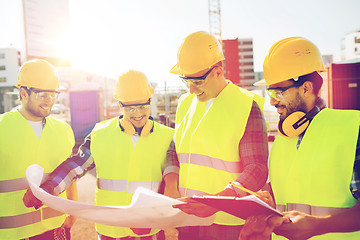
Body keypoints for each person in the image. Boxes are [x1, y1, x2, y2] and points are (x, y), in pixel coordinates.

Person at [23, 70, 175, 240]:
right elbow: (75, 166)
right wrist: (48, 189)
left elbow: (172, 187)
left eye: (142, 106)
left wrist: (157, 218)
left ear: (150, 101)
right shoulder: (100, 134)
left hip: (149, 230)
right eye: (130, 108)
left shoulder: (167, 137)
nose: (138, 113)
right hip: (110, 231)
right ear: (120, 105)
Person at [239, 36, 360, 240]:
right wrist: (266, 201)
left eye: (278, 91)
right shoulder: (283, 138)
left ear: (306, 88)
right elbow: (289, 190)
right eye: (270, 92)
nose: (272, 101)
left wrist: (318, 226)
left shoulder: (352, 128)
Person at [163, 31, 269, 240]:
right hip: (189, 220)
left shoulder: (247, 106)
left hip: (228, 224)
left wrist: (217, 201)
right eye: (186, 80)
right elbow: (174, 149)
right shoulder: (184, 104)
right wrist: (171, 186)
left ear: (218, 71)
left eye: (197, 81)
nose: (191, 89)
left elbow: (257, 169)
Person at [0, 59, 77, 239]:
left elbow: (71, 177)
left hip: (56, 229)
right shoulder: (2, 127)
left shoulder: (63, 130)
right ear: (23, 93)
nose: (49, 100)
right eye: (42, 94)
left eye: (53, 94)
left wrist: (71, 216)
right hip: (13, 233)